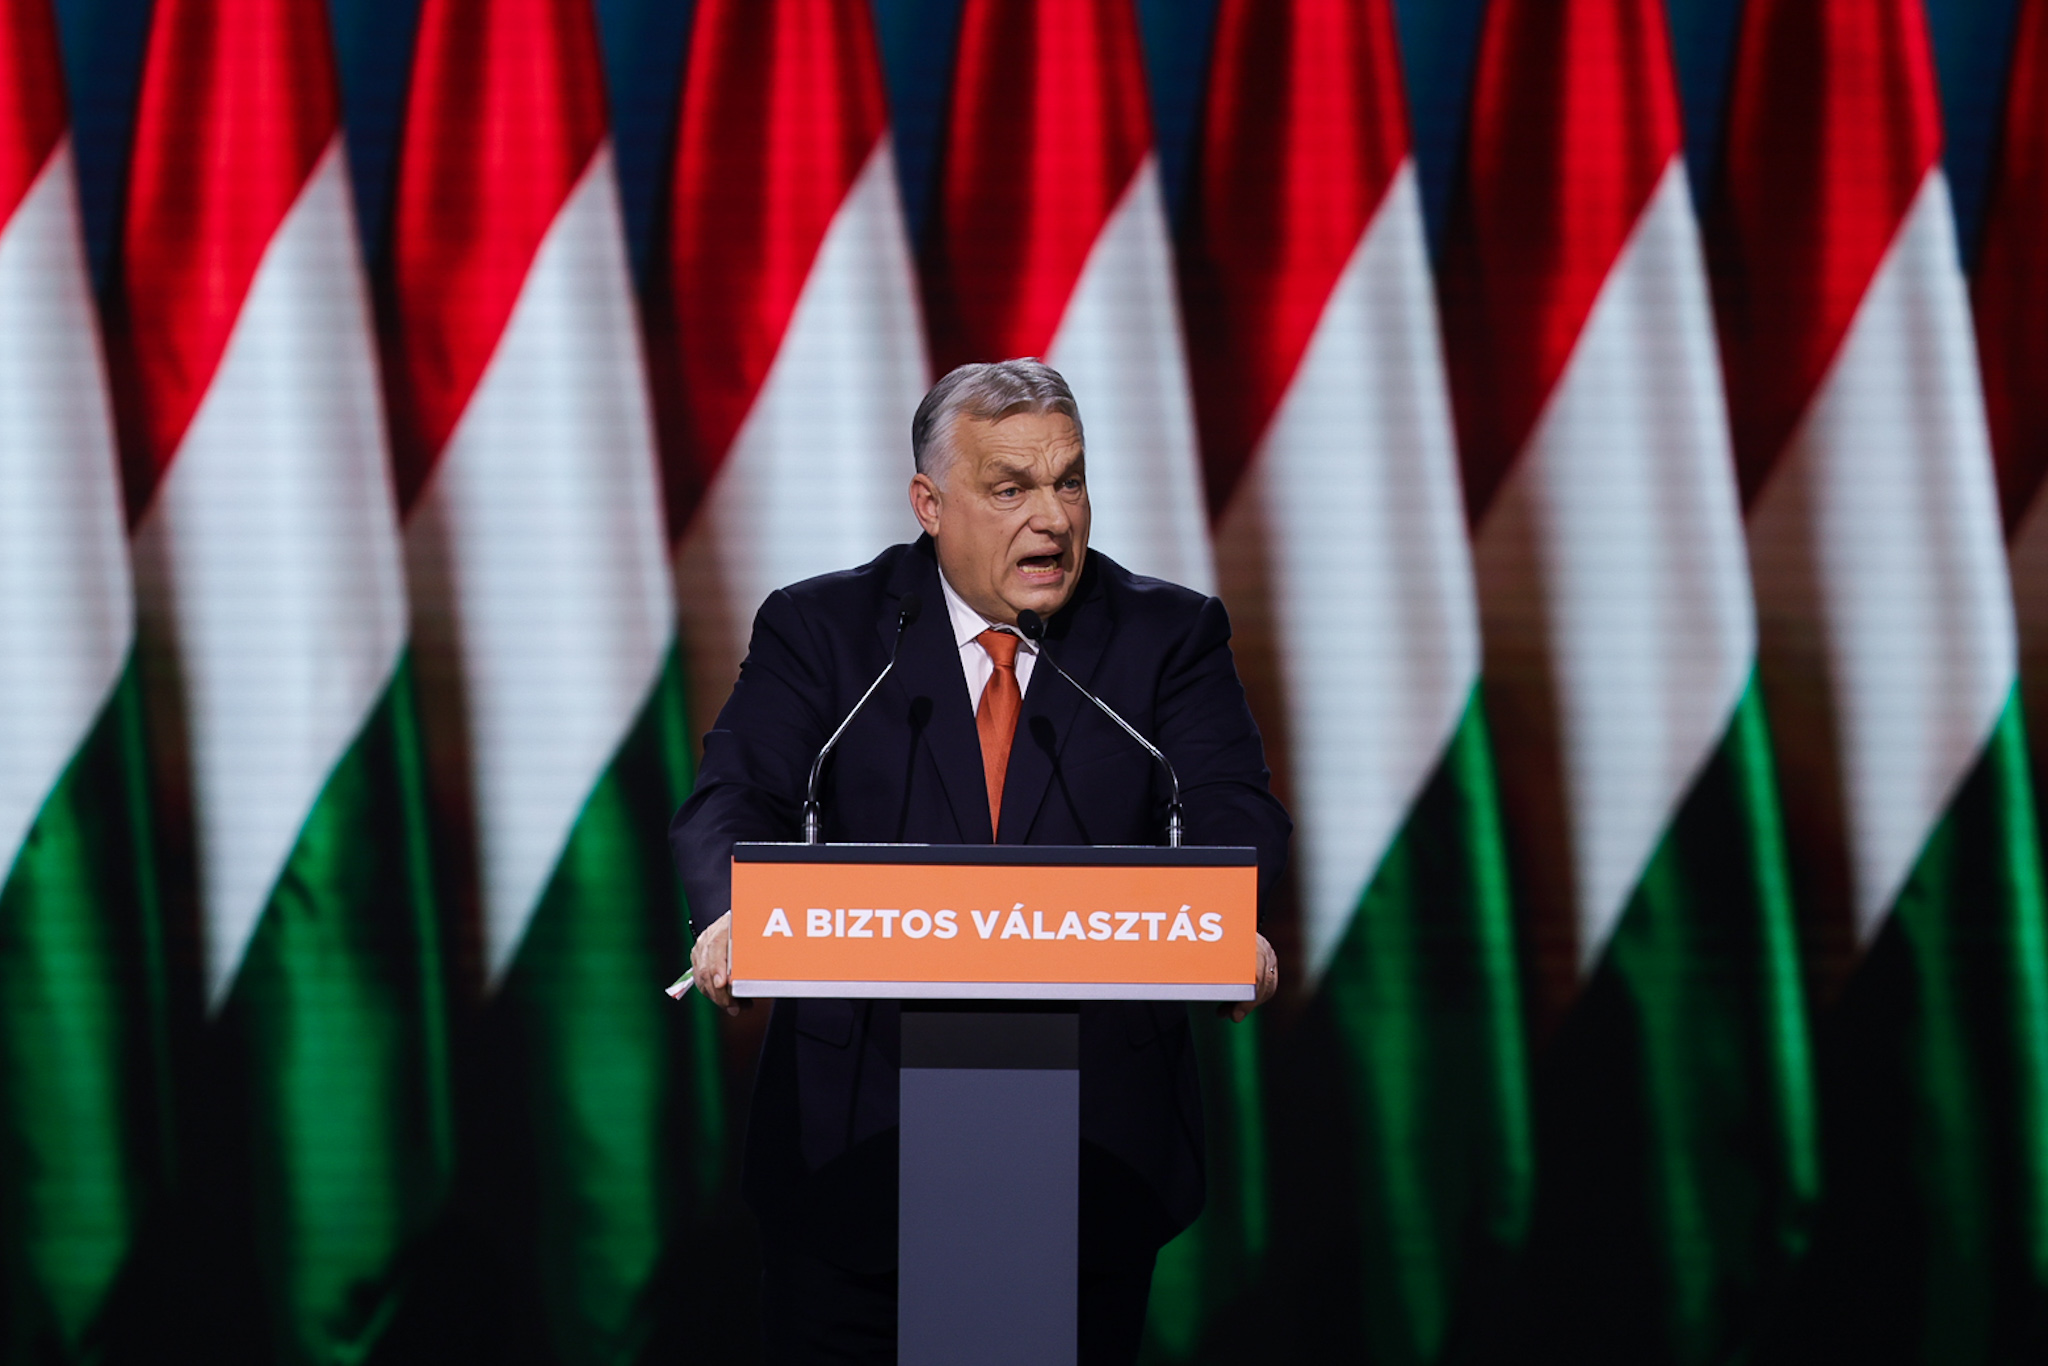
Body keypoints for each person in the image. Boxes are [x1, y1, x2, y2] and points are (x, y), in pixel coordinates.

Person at [672, 358, 1289, 1364]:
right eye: (1010, 489)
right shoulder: (827, 630)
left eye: (1069, 481)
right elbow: (733, 793)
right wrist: (732, 911)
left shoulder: (1164, 636)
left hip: (1086, 1141)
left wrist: (1230, 920)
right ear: (929, 504)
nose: (1052, 518)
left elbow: (1232, 805)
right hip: (858, 1139)